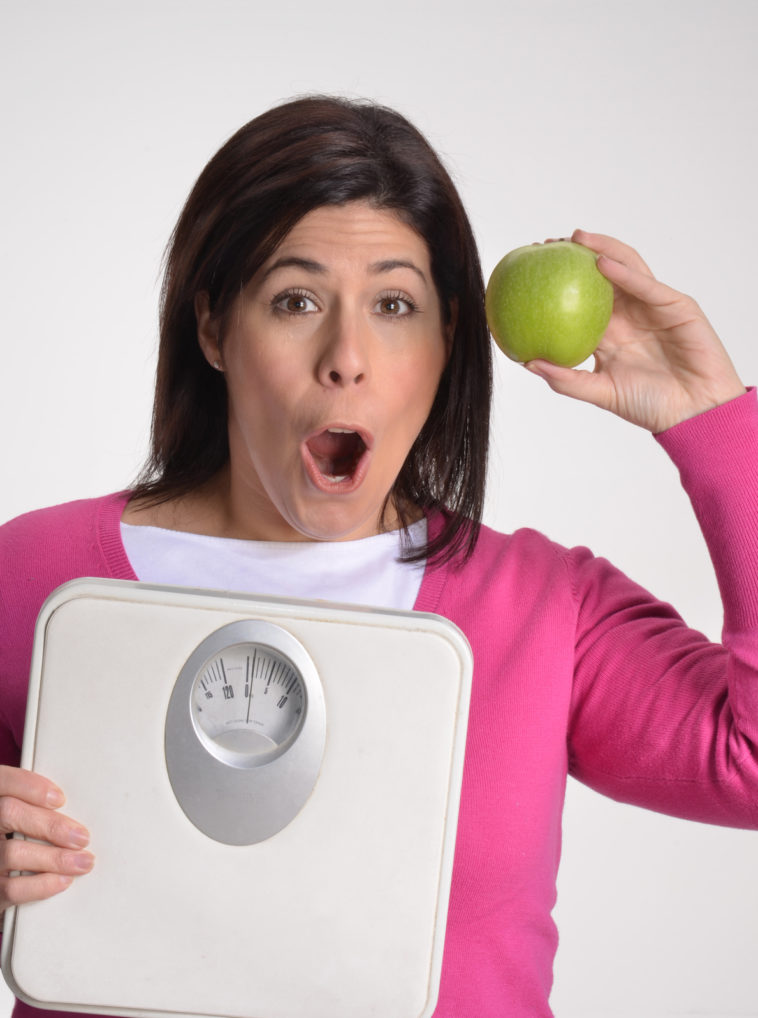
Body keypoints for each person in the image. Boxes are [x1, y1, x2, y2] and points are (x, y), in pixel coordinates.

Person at [1, 95, 756, 1018]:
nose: (346, 356)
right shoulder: (35, 578)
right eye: (296, 300)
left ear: (447, 343)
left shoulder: (544, 610)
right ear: (213, 330)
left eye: (394, 304)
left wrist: (716, 424)